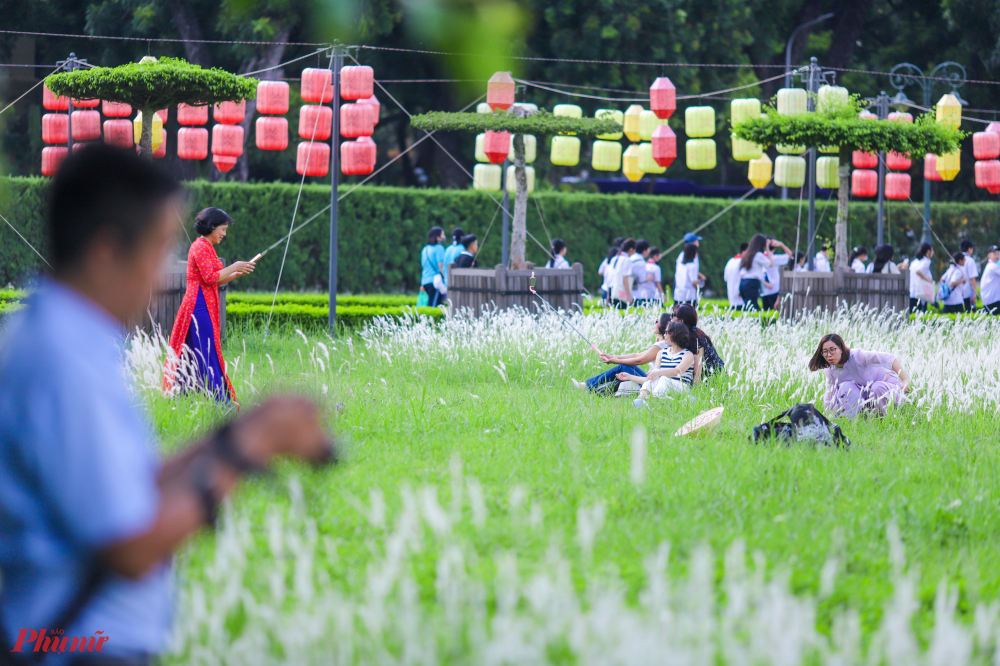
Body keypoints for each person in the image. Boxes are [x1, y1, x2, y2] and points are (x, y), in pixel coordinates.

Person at [0, 145, 333, 665]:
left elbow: (123, 487)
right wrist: (249, 448)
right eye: (157, 252)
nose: (160, 277)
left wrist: (233, 434)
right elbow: (130, 546)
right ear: (107, 252)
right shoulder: (62, 365)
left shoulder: (55, 340)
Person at [164, 207, 254, 403]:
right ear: (212, 227)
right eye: (222, 229)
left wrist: (236, 274)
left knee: (200, 351)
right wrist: (235, 266)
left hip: (203, 302)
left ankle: (191, 398)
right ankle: (221, 402)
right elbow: (209, 276)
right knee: (206, 351)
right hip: (198, 305)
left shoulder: (207, 247)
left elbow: (212, 281)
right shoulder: (199, 247)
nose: (224, 234)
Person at [808, 333, 911, 418]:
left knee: (876, 388)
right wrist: (827, 416)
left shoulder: (857, 357)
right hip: (868, 397)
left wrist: (905, 379)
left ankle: (885, 420)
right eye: (825, 352)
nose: (829, 355)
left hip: (889, 389)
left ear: (841, 348)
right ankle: (859, 420)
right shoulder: (830, 370)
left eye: (832, 350)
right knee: (846, 387)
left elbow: (888, 358)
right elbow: (829, 394)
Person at [572, 313, 671, 393]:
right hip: (651, 379)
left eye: (658, 321)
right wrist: (614, 357)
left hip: (652, 381)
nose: (655, 323)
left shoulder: (661, 345)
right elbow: (637, 355)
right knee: (623, 367)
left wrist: (614, 361)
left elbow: (640, 360)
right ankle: (591, 387)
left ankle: (586, 386)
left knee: (623, 367)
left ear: (663, 326)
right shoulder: (660, 344)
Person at [617, 321, 695, 399]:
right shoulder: (661, 353)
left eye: (667, 332)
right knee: (652, 381)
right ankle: (640, 400)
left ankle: (653, 401)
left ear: (676, 334)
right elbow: (653, 378)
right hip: (663, 386)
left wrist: (658, 373)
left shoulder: (687, 355)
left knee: (664, 379)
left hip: (682, 388)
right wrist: (629, 376)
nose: (664, 335)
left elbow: (677, 371)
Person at [672, 303, 725, 382]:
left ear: (681, 321)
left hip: (712, 379)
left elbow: (698, 369)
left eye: (673, 315)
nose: (671, 318)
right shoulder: (686, 334)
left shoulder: (695, 338)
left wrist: (695, 391)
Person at [738, 233, 773, 311]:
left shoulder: (747, 254)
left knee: (748, 307)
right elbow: (771, 264)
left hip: (743, 283)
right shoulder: (758, 255)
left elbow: (741, 272)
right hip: (752, 283)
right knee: (754, 307)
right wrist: (768, 249)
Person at [761, 237, 792, 311]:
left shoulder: (760, 257)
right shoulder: (775, 259)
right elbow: (791, 255)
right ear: (774, 248)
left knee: (766, 314)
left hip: (763, 291)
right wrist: (781, 244)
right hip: (774, 290)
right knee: (775, 313)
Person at [420, 226, 446, 307]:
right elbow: (441, 266)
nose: (444, 237)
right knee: (434, 306)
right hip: (435, 282)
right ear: (438, 237)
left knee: (431, 303)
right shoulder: (439, 248)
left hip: (425, 281)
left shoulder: (425, 249)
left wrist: (422, 283)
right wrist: (446, 278)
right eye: (443, 235)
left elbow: (424, 267)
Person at [606, 238, 636, 309]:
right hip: (621, 290)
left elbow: (609, 276)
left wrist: (608, 294)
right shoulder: (627, 260)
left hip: (612, 289)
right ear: (631, 249)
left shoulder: (614, 258)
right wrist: (629, 295)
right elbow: (625, 277)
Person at [909, 242, 935, 312]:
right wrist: (927, 279)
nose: (933, 252)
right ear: (928, 251)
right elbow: (918, 271)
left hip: (911, 292)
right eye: (932, 250)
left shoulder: (915, 261)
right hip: (919, 293)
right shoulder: (926, 261)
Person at [724, 243, 748, 308]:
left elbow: (725, 278)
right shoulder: (742, 262)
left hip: (731, 297)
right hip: (741, 297)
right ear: (744, 252)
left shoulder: (730, 261)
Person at [980, 244, 1000, 314]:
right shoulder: (993, 266)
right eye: (995, 254)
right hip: (993, 300)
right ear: (989, 255)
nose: (997, 256)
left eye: (998, 254)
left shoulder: (990, 265)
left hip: (990, 299)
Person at [960, 239, 979, 311]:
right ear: (969, 249)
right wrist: (974, 293)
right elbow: (972, 278)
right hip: (968, 293)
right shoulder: (970, 260)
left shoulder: (958, 259)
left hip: (959, 293)